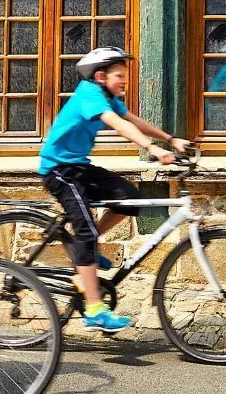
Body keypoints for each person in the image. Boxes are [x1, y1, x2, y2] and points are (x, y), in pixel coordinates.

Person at [39, 47, 192, 331]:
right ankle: (95, 311)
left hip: (79, 167)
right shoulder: (89, 94)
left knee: (129, 199)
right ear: (100, 76)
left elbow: (133, 119)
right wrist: (151, 149)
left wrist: (171, 140)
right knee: (85, 231)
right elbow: (119, 125)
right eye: (119, 76)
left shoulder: (106, 97)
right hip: (59, 170)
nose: (124, 81)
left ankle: (86, 251)